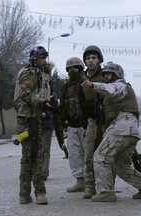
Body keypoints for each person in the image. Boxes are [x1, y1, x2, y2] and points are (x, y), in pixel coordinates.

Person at [81, 63, 141, 202]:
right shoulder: (114, 91)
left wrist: (93, 85)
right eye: (104, 74)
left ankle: (105, 192)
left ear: (117, 75)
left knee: (100, 157)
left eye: (108, 74)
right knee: (121, 166)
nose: (105, 76)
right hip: (129, 131)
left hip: (121, 129)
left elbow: (111, 89)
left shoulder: (120, 85)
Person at [14, 46, 49, 205]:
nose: (44, 61)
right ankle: (34, 194)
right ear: (35, 59)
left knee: (35, 156)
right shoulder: (29, 73)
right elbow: (24, 93)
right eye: (42, 58)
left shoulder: (39, 73)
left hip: (34, 117)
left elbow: (44, 89)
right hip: (28, 119)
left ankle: (30, 194)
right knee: (31, 157)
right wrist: (39, 101)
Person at [78, 45, 104, 199]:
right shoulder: (82, 79)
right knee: (89, 155)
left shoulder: (107, 75)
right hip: (92, 121)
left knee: (106, 156)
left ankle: (106, 186)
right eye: (88, 58)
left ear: (99, 60)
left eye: (94, 57)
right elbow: (81, 104)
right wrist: (85, 126)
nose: (91, 60)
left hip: (106, 121)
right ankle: (89, 186)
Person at [60, 57, 86, 192]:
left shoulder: (86, 83)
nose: (72, 70)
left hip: (86, 124)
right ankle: (80, 181)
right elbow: (63, 105)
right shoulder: (66, 86)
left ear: (81, 68)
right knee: (75, 155)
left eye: (74, 68)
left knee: (89, 154)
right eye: (69, 69)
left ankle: (93, 182)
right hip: (71, 125)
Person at [42, 61, 54, 181]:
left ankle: (44, 171)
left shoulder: (51, 88)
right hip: (34, 120)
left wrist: (48, 113)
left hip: (46, 120)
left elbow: (54, 104)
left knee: (45, 148)